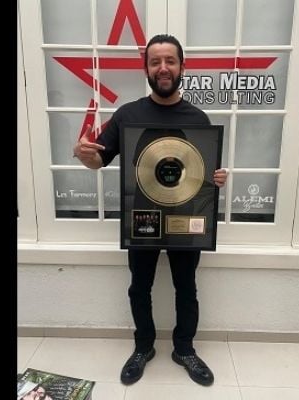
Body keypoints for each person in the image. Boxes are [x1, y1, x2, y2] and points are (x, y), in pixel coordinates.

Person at [73, 34, 227, 387]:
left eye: (170, 61)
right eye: (155, 62)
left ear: (182, 67)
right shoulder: (127, 115)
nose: (163, 68)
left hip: (185, 217)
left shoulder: (198, 118)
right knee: (139, 286)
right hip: (141, 217)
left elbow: (199, 172)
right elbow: (98, 159)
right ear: (146, 69)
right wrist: (84, 155)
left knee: (186, 287)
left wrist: (216, 178)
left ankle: (184, 349)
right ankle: (143, 347)